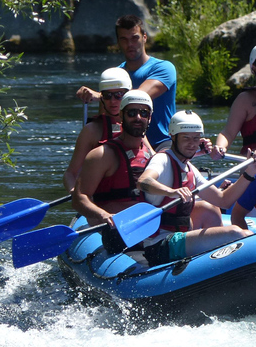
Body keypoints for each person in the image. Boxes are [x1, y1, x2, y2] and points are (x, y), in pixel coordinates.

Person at [137, 110, 256, 266]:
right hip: (159, 245)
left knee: (238, 228)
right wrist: (170, 191)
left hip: (179, 238)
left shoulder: (189, 168)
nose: (192, 144)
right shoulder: (162, 159)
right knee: (236, 233)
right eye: (186, 138)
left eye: (196, 138)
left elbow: (223, 200)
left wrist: (249, 173)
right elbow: (143, 181)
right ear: (173, 136)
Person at [75, 15, 176, 151]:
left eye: (135, 38)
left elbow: (138, 98)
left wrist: (101, 96)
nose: (130, 45)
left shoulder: (164, 68)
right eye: (124, 39)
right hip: (126, 143)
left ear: (144, 37)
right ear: (118, 42)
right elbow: (106, 118)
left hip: (161, 142)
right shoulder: (114, 75)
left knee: (163, 161)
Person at [72, 90, 155, 253]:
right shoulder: (101, 155)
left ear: (149, 118)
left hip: (146, 229)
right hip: (114, 232)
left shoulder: (150, 154)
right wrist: (103, 215)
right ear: (122, 116)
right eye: (132, 113)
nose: (138, 117)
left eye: (143, 113)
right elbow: (79, 198)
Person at [64, 67, 145, 192]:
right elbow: (71, 174)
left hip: (135, 199)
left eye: (119, 95)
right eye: (107, 96)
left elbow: (152, 158)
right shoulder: (92, 130)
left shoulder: (135, 125)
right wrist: (76, 194)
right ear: (102, 97)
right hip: (102, 200)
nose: (113, 101)